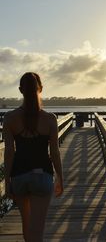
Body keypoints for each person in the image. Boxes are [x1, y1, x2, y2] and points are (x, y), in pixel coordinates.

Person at [3, 72, 63, 242]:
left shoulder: (9, 118)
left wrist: (7, 181)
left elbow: (9, 152)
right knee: (37, 231)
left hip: (19, 177)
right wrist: (60, 177)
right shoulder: (50, 119)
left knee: (27, 228)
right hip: (42, 176)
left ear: (21, 90)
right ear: (40, 89)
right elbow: (55, 153)